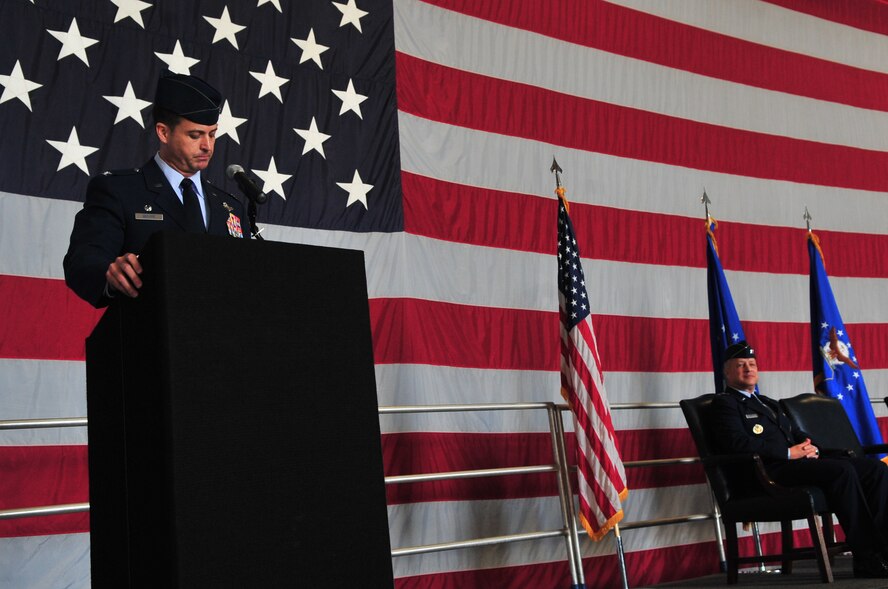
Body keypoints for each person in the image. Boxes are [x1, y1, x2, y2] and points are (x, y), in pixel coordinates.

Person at [64, 72, 248, 308]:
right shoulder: (119, 191)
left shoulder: (230, 208)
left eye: (212, 134)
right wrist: (110, 273)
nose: (207, 146)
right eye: (195, 135)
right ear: (163, 132)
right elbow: (82, 261)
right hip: (149, 327)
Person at [711, 340, 888, 578]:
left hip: (795, 465)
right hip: (768, 472)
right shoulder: (725, 404)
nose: (748, 369)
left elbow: (795, 433)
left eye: (752, 364)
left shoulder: (767, 403)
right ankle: (867, 556)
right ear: (727, 372)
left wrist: (810, 447)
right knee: (841, 471)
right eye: (741, 365)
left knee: (875, 469)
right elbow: (737, 443)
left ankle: (883, 550)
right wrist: (788, 453)